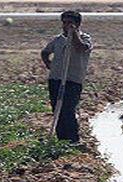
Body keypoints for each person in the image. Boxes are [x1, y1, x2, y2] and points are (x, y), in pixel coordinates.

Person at [41, 10, 93, 143]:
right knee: (57, 109)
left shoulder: (85, 38)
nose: (66, 25)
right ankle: (61, 139)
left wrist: (73, 33)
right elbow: (45, 52)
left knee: (68, 110)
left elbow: (81, 48)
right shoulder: (58, 39)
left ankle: (73, 140)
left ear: (77, 24)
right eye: (64, 23)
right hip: (55, 79)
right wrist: (49, 64)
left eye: (70, 23)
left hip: (73, 80)